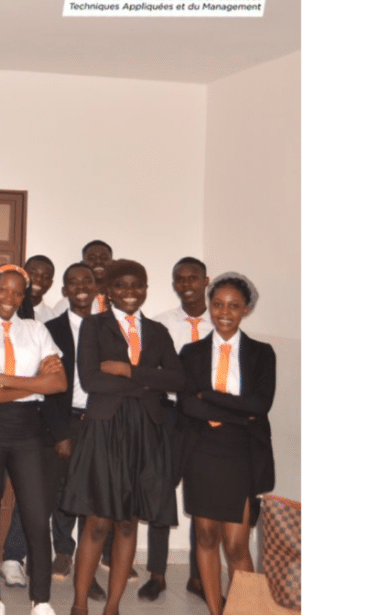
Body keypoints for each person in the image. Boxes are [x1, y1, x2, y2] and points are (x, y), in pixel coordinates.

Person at [61, 259, 185, 615]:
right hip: (105, 429)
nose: (130, 292)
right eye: (121, 285)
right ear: (108, 291)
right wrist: (146, 384)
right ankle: (80, 605)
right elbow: (91, 380)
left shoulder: (158, 331)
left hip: (146, 432)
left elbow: (178, 380)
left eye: (137, 285)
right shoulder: (93, 326)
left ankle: (113, 607)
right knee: (98, 522)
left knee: (129, 523)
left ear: (146, 289)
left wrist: (128, 371)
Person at [0, 265, 67, 615]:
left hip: (28, 429)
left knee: (36, 515)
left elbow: (58, 383)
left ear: (24, 297)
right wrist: (34, 383)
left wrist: (5, 380)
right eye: (3, 289)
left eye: (17, 292)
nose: (10, 297)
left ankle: (41, 599)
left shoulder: (37, 330)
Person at [179, 273, 275, 615]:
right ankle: (216, 610)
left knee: (236, 545)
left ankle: (245, 610)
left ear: (246, 310)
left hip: (241, 454)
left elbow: (259, 405)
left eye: (234, 306)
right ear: (209, 306)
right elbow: (188, 405)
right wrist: (237, 410)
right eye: (218, 304)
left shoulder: (262, 354)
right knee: (206, 536)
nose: (224, 312)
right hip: (202, 451)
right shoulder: (191, 352)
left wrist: (210, 396)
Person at [144, 256, 213, 601]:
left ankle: (199, 577)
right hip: (170, 416)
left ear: (206, 281)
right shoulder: (161, 324)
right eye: (180, 279)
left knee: (202, 497)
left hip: (207, 419)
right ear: (174, 284)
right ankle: (157, 574)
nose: (187, 284)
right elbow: (150, 371)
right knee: (160, 492)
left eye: (193, 278)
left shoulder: (221, 322)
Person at [43, 264, 107, 603]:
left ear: (96, 288)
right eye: (73, 282)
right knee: (62, 492)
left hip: (100, 422)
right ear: (65, 290)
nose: (80, 286)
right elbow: (46, 386)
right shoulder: (50, 329)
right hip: (65, 419)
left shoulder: (111, 327)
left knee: (93, 497)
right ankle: (63, 551)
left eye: (87, 281)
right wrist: (59, 432)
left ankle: (88, 568)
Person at [25, 255, 56, 321]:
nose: (39, 279)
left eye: (46, 276)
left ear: (50, 284)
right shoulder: (6, 311)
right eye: (33, 273)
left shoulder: (54, 319)